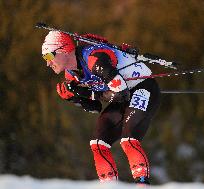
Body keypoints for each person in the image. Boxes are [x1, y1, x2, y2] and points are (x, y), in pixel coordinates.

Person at [41, 31, 161, 185]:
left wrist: (84, 91)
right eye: (45, 58)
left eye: (49, 56)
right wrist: (74, 96)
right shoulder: (71, 75)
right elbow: (95, 108)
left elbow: (121, 94)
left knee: (128, 139)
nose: (47, 63)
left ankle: (142, 184)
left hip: (142, 88)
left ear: (64, 50)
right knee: (98, 143)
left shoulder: (94, 59)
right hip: (123, 95)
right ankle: (110, 186)